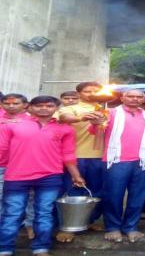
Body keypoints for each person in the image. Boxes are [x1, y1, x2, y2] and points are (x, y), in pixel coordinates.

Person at [0, 96, 85, 256]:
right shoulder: (12, 126)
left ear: (56, 108)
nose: (44, 109)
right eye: (39, 106)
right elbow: (2, 149)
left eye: (49, 106)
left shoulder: (65, 129)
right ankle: (4, 249)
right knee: (12, 213)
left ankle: (41, 248)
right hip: (16, 176)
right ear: (30, 108)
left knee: (44, 213)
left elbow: (67, 154)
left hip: (50, 177)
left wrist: (76, 175)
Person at [90, 90, 145, 243]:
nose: (135, 99)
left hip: (143, 161)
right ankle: (113, 227)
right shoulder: (109, 112)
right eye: (131, 96)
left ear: (144, 99)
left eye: (139, 97)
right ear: (122, 98)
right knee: (113, 195)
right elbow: (95, 131)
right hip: (116, 160)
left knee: (138, 196)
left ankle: (131, 227)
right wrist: (97, 122)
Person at [56, 81, 104, 243]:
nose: (92, 94)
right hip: (76, 157)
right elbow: (63, 118)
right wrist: (81, 117)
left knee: (96, 192)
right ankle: (68, 226)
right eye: (88, 91)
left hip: (101, 157)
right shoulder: (71, 108)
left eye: (96, 91)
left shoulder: (106, 110)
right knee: (72, 191)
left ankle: (89, 221)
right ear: (79, 94)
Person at [0, 93, 35, 239]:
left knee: (30, 197)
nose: (11, 106)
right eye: (7, 103)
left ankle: (30, 225)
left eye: (16, 103)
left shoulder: (35, 120)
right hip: (2, 165)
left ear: (25, 105)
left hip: (26, 166)